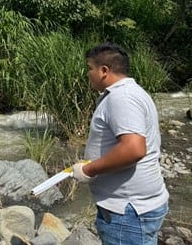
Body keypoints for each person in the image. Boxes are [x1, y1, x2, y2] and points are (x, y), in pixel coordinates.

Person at [72, 43, 169, 245]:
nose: (88, 74)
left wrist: (89, 169)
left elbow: (133, 149)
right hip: (134, 207)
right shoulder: (130, 93)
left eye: (90, 68)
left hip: (129, 211)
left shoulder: (122, 97)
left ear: (104, 71)